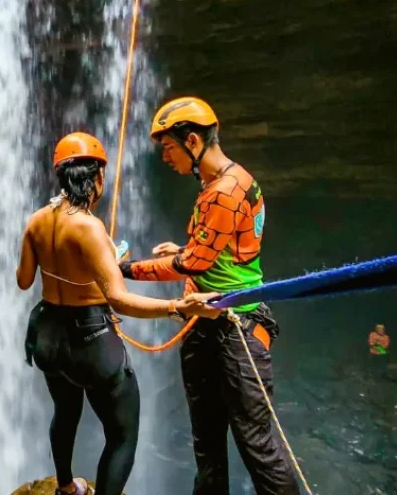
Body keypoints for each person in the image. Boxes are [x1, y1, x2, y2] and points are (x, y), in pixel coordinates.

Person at [16, 131, 222, 495]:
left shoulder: (36, 220)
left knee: (64, 412)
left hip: (48, 336)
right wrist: (178, 306)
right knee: (123, 433)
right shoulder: (90, 227)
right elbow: (120, 300)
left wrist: (74, 268)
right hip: (89, 340)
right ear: (95, 177)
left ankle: (65, 486)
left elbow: (23, 280)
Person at [118, 96, 300, 495]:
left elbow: (194, 264)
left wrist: (126, 270)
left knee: (256, 444)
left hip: (236, 329)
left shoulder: (225, 191)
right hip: (207, 322)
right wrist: (182, 252)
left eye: (168, 147)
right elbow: (215, 251)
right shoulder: (220, 183)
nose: (165, 157)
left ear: (194, 141)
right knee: (207, 438)